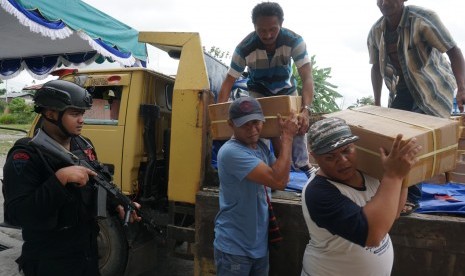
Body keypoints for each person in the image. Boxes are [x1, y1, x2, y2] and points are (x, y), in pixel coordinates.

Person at [2, 80, 140, 276]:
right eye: (74, 114)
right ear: (51, 114)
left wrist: (115, 204)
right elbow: (16, 214)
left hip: (87, 254)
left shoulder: (83, 145)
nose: (82, 119)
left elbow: (95, 184)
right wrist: (58, 180)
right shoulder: (26, 155)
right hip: (50, 261)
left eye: (82, 113)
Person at [367, 0, 465, 215]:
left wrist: (462, 87)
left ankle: (412, 197)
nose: (385, 3)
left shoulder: (423, 19)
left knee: (413, 137)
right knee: (392, 136)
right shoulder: (376, 31)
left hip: (433, 87)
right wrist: (376, 103)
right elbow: (376, 68)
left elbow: (454, 51)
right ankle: (391, 189)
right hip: (401, 89)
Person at [300, 117, 421, 276]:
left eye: (346, 150)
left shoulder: (369, 174)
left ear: (354, 146)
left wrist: (404, 175)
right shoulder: (317, 192)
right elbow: (372, 235)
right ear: (314, 157)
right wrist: (394, 176)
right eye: (330, 157)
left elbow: (394, 212)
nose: (342, 161)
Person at [217, 1, 316, 179]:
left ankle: (303, 164)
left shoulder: (295, 41)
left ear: (281, 24)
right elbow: (228, 82)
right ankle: (263, 165)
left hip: (286, 90)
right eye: (262, 30)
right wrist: (219, 115)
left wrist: (306, 110)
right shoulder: (243, 49)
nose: (268, 35)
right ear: (254, 26)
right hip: (258, 92)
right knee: (257, 129)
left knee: (297, 123)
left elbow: (307, 77)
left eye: (273, 29)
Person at [214, 96, 299, 275]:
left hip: (259, 246)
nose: (252, 129)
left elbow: (281, 173)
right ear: (231, 124)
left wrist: (276, 132)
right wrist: (288, 137)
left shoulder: (259, 146)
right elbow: (280, 181)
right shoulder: (230, 152)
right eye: (245, 124)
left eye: (256, 122)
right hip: (234, 249)